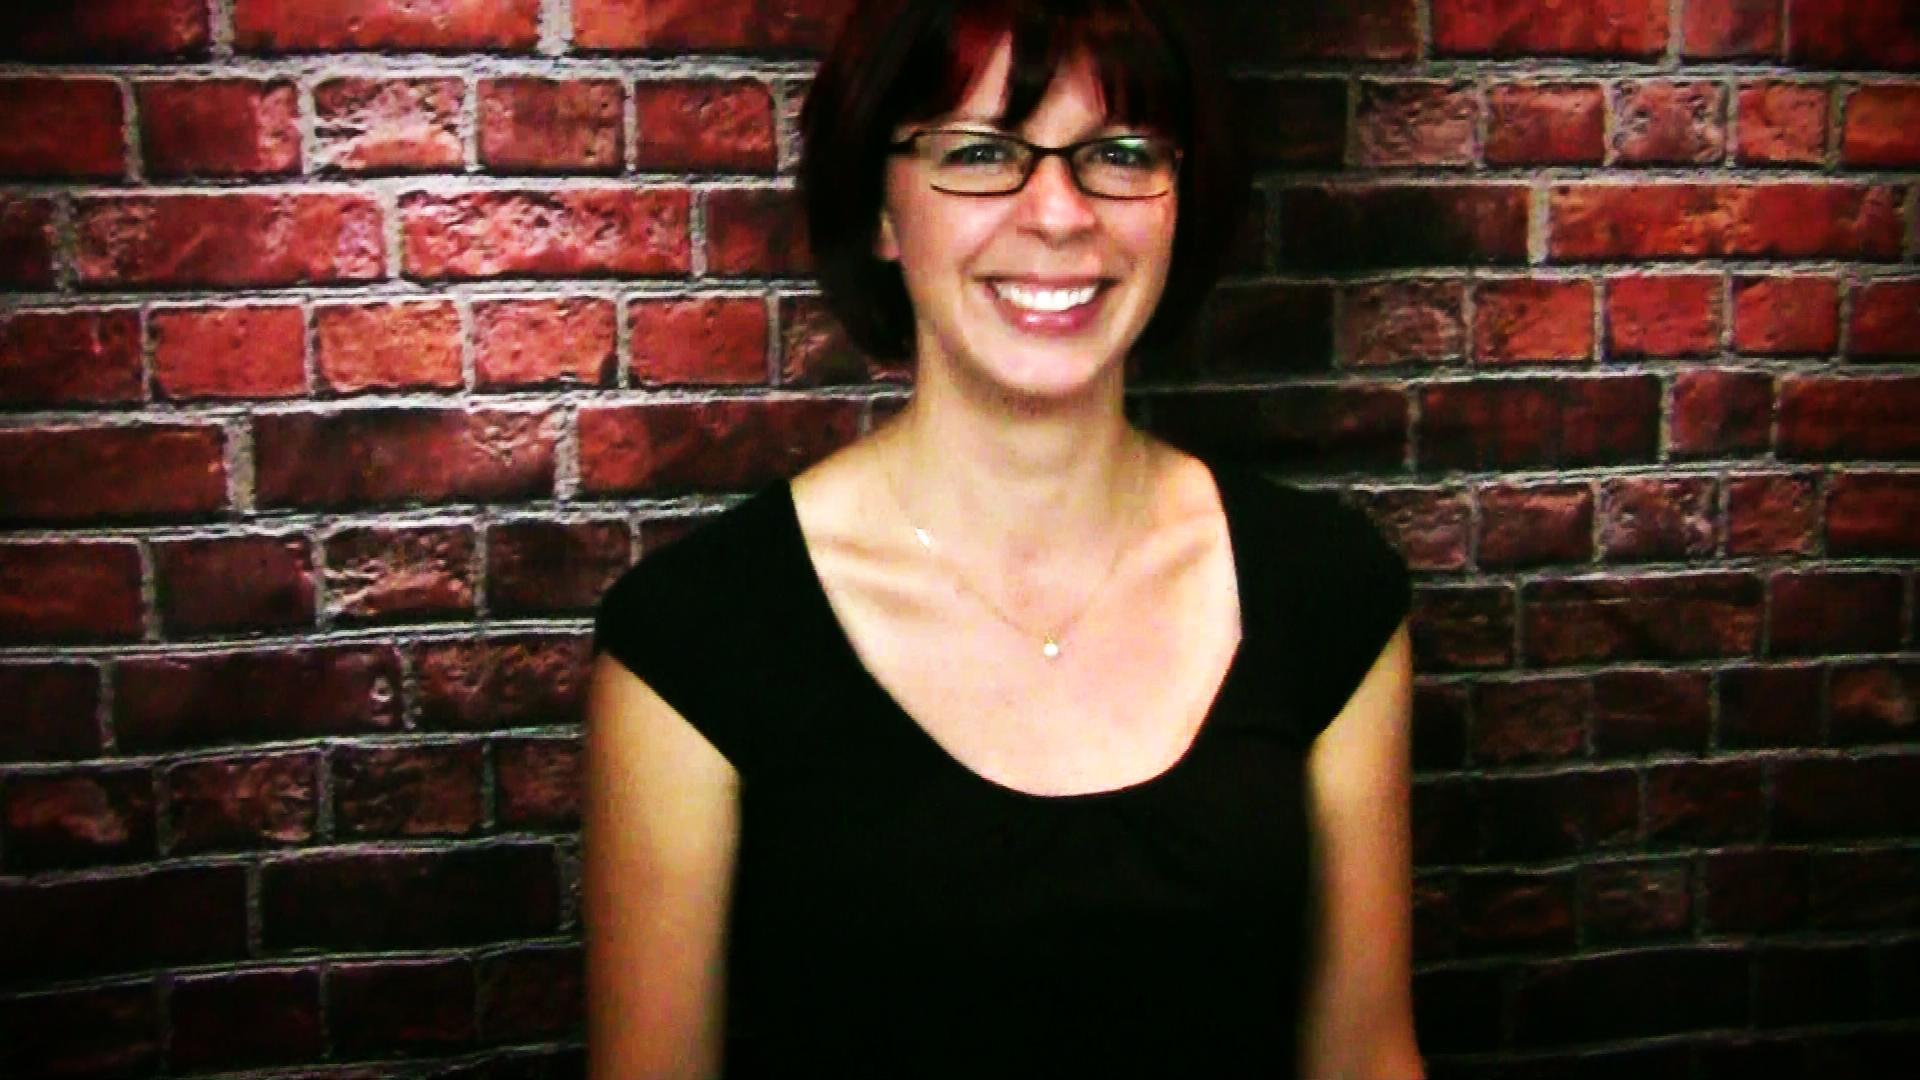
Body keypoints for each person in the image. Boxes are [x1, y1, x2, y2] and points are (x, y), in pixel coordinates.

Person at [583, 1, 1422, 1076]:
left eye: (1119, 153)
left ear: (1179, 202)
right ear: (882, 213)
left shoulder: (1328, 593)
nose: (1060, 214)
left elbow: (1365, 1059)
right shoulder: (693, 641)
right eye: (980, 153)